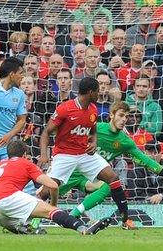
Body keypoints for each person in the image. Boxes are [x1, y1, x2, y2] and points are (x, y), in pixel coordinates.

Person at [57, 102, 163, 223]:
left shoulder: (125, 141)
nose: (124, 119)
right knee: (44, 195)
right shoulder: (96, 128)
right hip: (70, 171)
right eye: (121, 115)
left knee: (107, 187)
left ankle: (73, 215)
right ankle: (35, 224)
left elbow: (146, 161)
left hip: (89, 178)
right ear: (111, 115)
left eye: (126, 117)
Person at [37, 77, 132, 229]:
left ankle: (126, 220)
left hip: (85, 154)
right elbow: (46, 132)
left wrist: (93, 142)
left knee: (113, 178)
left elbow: (92, 131)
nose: (99, 94)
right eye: (97, 91)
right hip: (65, 155)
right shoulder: (65, 108)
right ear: (90, 92)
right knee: (48, 190)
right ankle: (29, 221)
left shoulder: (93, 109)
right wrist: (43, 155)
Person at [0, 140, 110, 235]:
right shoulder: (26, 163)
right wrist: (53, 206)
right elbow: (53, 186)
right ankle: (83, 228)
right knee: (50, 211)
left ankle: (28, 231)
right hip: (8, 198)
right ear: (25, 154)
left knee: (14, 222)